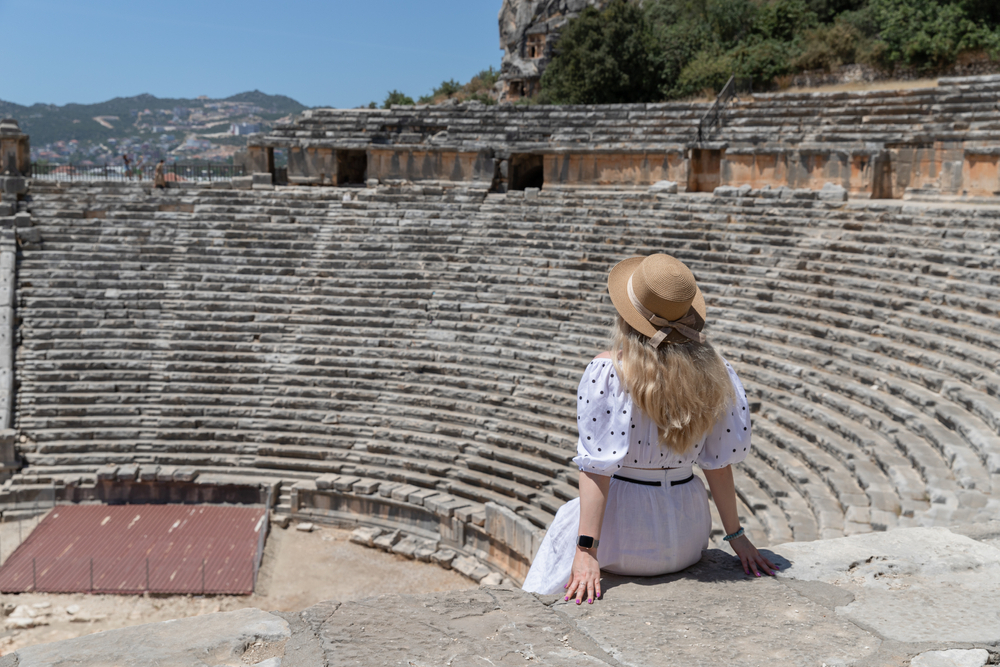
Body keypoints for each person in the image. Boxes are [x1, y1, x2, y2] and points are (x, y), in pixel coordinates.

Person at [521, 253, 777, 604]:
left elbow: (598, 468)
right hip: (687, 535)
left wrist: (586, 551)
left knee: (565, 525)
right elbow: (718, 463)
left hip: (625, 538)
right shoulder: (717, 369)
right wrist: (736, 535)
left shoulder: (608, 370)